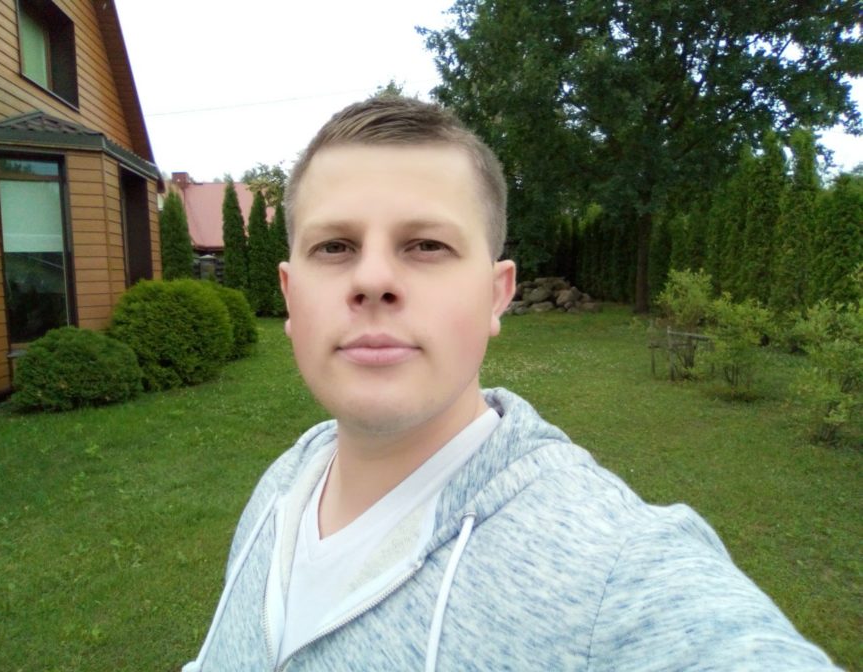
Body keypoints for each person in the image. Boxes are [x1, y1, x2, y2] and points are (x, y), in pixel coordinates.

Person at [183, 97, 838, 671]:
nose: (372, 279)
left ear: (497, 295)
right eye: (334, 247)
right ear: (290, 296)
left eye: (426, 245)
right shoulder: (282, 486)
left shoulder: (611, 568)